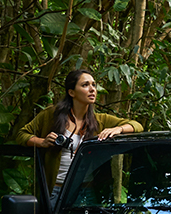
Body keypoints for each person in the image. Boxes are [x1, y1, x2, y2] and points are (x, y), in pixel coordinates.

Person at [16, 69, 143, 203]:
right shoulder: (51, 115)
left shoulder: (99, 120)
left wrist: (118, 129)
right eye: (85, 85)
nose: (92, 89)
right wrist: (42, 142)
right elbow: (21, 135)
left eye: (94, 85)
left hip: (85, 192)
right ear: (71, 92)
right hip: (56, 191)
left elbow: (137, 126)